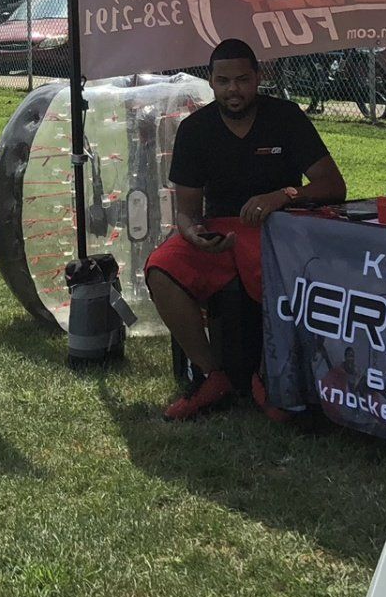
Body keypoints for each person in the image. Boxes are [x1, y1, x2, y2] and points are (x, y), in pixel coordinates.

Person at [147, 37, 346, 421]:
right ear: (211, 82)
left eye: (241, 79)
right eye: (223, 81)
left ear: (258, 78)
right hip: (220, 231)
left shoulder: (285, 117)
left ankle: (269, 377)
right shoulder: (194, 129)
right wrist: (192, 235)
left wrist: (283, 195)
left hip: (278, 229)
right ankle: (209, 374)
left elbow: (333, 185)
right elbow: (187, 211)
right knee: (161, 267)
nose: (233, 89)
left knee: (277, 278)